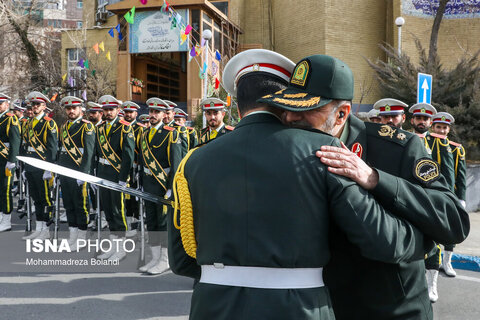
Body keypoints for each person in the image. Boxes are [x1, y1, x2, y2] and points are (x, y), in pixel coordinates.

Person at [169, 49, 431, 320]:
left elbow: (181, 259)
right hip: (299, 306)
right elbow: (383, 240)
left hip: (212, 305)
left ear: (237, 106)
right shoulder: (324, 150)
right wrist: (425, 239)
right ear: (288, 102)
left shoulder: (193, 160)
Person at [259, 54, 469, 319]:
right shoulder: (288, 150)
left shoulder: (397, 148)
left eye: (304, 110)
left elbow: (454, 221)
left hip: (392, 311)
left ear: (341, 114)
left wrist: (375, 179)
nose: (289, 118)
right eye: (285, 108)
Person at [138, 97, 183, 275]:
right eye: (151, 112)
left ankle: (165, 260)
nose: (153, 115)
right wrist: (140, 183)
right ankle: (154, 257)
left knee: (163, 223)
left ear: (165, 114)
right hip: (148, 184)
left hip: (163, 185)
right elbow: (142, 162)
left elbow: (176, 163)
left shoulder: (171, 134)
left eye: (157, 112)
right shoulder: (144, 133)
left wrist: (172, 188)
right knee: (152, 222)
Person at [95, 95, 135, 261]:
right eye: (105, 110)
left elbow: (128, 156)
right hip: (103, 174)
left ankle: (121, 249)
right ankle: (113, 247)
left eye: (111, 110)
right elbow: (96, 154)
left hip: (117, 174)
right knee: (108, 212)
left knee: (118, 212)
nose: (108, 113)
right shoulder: (99, 128)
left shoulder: (125, 128)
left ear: (118, 110)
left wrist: (123, 177)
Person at [57, 96, 95, 249]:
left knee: (81, 205)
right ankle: (72, 236)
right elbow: (62, 151)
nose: (71, 111)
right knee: (68, 204)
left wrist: (83, 174)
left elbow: (89, 153)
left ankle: (81, 237)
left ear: (81, 109)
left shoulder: (87, 127)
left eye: (74, 108)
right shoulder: (64, 126)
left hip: (78, 171)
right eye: (68, 108)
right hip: (65, 171)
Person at [431, 112, 466, 278]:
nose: (442, 130)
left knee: (450, 227)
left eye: (445, 127)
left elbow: (461, 176)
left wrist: (462, 198)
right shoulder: (425, 142)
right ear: (433, 127)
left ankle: (447, 261)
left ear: (449, 129)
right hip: (431, 192)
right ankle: (435, 260)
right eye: (439, 127)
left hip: (449, 194)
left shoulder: (456, 148)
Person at [21, 92, 58, 240]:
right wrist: (24, 167)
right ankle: (39, 227)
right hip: (30, 165)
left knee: (45, 199)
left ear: (44, 106)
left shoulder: (49, 123)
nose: (35, 107)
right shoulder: (28, 122)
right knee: (35, 198)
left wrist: (49, 168)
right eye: (33, 105)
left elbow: (52, 148)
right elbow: (26, 145)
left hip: (42, 166)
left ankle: (46, 230)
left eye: (38, 104)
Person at [121, 101, 145, 237]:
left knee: (134, 198)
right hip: (123, 167)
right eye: (126, 112)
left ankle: (135, 224)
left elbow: (141, 151)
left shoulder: (140, 129)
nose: (128, 115)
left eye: (131, 112)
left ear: (136, 113)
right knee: (125, 197)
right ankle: (128, 221)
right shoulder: (121, 127)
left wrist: (139, 168)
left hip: (135, 168)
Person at [0, 93, 21, 232]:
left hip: (5, 159)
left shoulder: (11, 119)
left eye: (0, 104)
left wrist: (12, 160)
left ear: (7, 105)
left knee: (5, 189)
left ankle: (6, 219)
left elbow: (15, 141)